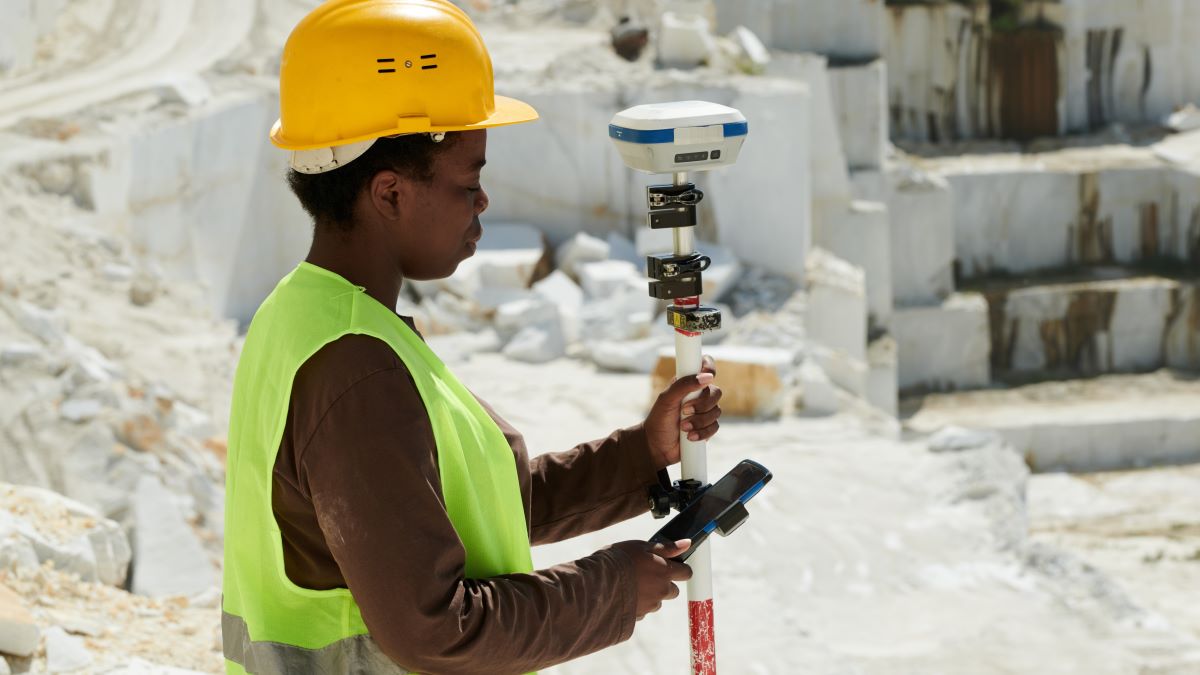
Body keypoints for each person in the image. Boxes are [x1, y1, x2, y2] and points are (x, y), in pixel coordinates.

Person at [221, 1, 724, 673]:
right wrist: (610, 587)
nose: (482, 201)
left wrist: (640, 454)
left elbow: (459, 513)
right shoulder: (355, 368)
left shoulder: (308, 315)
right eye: (470, 178)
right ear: (391, 194)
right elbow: (434, 631)